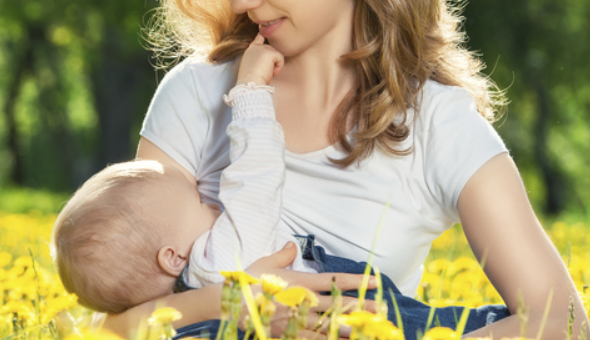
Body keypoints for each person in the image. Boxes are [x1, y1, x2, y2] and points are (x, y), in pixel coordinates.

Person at [102, 0, 589, 337]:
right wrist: (235, 303)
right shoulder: (197, 92)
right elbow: (113, 326)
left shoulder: (438, 123)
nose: (239, 0)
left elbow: (562, 322)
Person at [54, 35, 510, 337]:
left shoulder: (181, 296)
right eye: (197, 197)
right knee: (448, 326)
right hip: (356, 316)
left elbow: (117, 327)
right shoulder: (222, 256)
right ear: (171, 256)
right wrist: (251, 94)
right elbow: (256, 178)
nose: (210, 195)